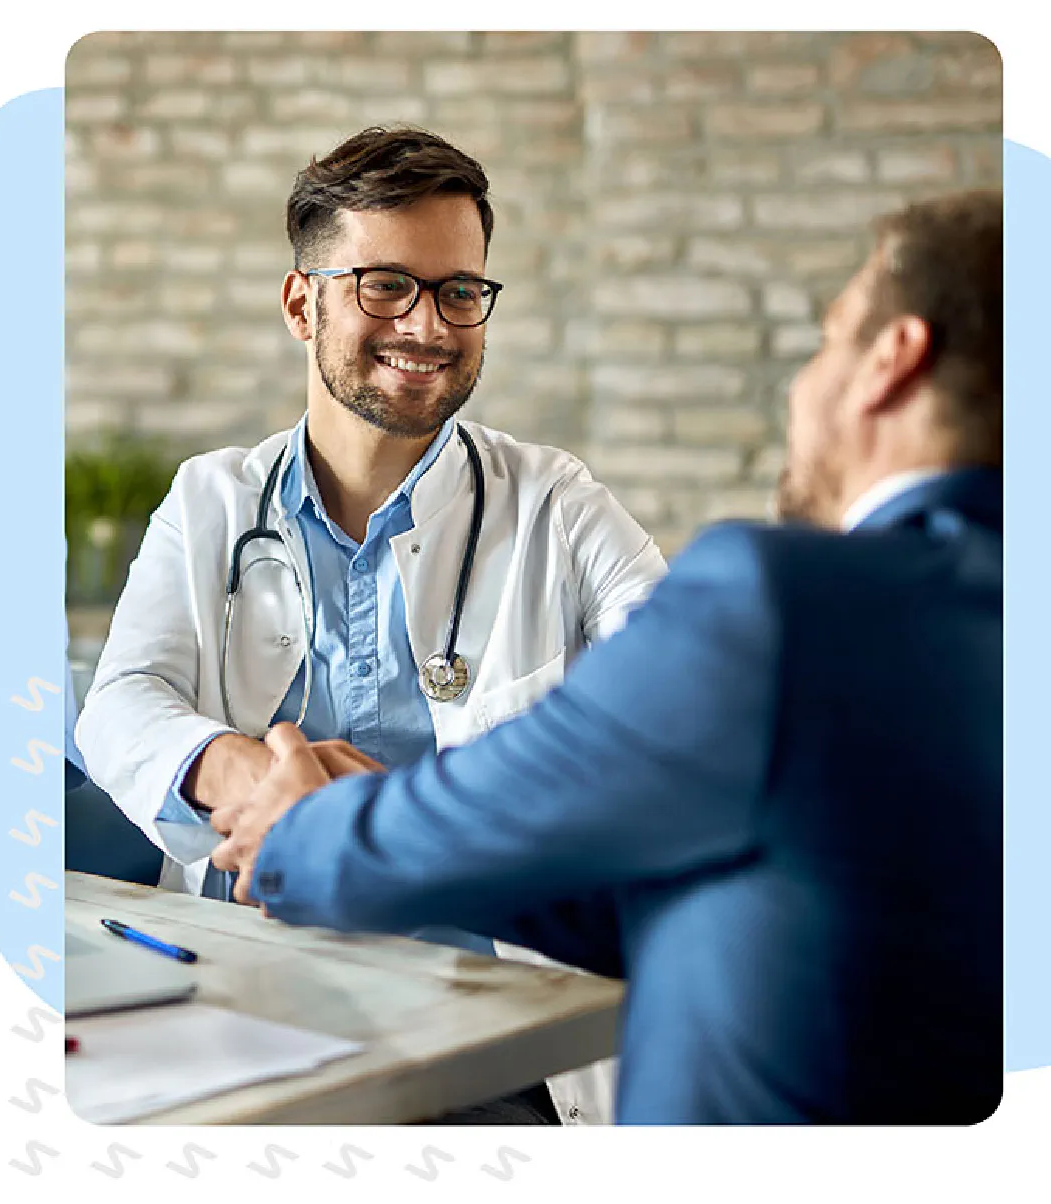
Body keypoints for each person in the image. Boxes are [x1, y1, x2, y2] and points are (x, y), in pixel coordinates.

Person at [209, 190, 1005, 1125]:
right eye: (388, 286)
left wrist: (310, 829)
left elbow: (615, 725)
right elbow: (740, 876)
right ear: (304, 304)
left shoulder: (776, 604)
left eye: (827, 340)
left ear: (889, 362)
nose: (801, 386)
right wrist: (392, 815)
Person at [75, 126, 666, 1126]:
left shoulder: (556, 505)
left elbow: (683, 710)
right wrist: (257, 779)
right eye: (385, 284)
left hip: (483, 1034)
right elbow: (120, 703)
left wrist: (398, 817)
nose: (427, 325)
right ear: (302, 303)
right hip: (236, 1005)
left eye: (459, 291)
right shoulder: (211, 497)